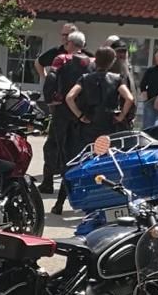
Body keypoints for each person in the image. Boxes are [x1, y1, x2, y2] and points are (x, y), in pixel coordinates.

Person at [48, 31, 95, 213]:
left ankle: (59, 202)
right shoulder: (92, 62)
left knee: (65, 157)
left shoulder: (61, 59)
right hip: (86, 116)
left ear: (70, 43)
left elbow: (51, 79)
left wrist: (51, 99)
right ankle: (83, 200)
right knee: (84, 157)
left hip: (63, 114)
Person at [66, 46, 136, 147]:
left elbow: (69, 97)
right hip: (109, 122)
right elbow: (129, 98)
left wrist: (80, 115)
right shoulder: (117, 79)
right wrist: (121, 116)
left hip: (89, 121)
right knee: (108, 150)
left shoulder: (85, 78)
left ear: (96, 60)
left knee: (89, 150)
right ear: (112, 61)